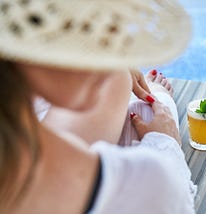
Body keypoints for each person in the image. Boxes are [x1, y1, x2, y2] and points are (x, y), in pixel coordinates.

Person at [0, 0, 196, 213]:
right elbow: (172, 195)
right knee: (141, 101)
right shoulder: (152, 184)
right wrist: (166, 142)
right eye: (87, 28)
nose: (117, 51)